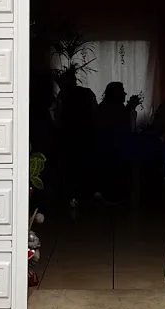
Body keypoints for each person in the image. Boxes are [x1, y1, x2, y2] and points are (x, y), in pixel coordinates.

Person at [55, 68, 97, 207]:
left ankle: (72, 197)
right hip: (84, 136)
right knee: (82, 167)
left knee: (71, 168)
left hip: (70, 137)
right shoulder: (87, 93)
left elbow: (58, 117)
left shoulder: (63, 95)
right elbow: (95, 113)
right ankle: (83, 196)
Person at [95, 82, 140, 203]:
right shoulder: (114, 110)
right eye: (122, 91)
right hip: (113, 152)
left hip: (108, 152)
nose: (125, 93)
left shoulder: (104, 108)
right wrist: (130, 108)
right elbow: (125, 130)